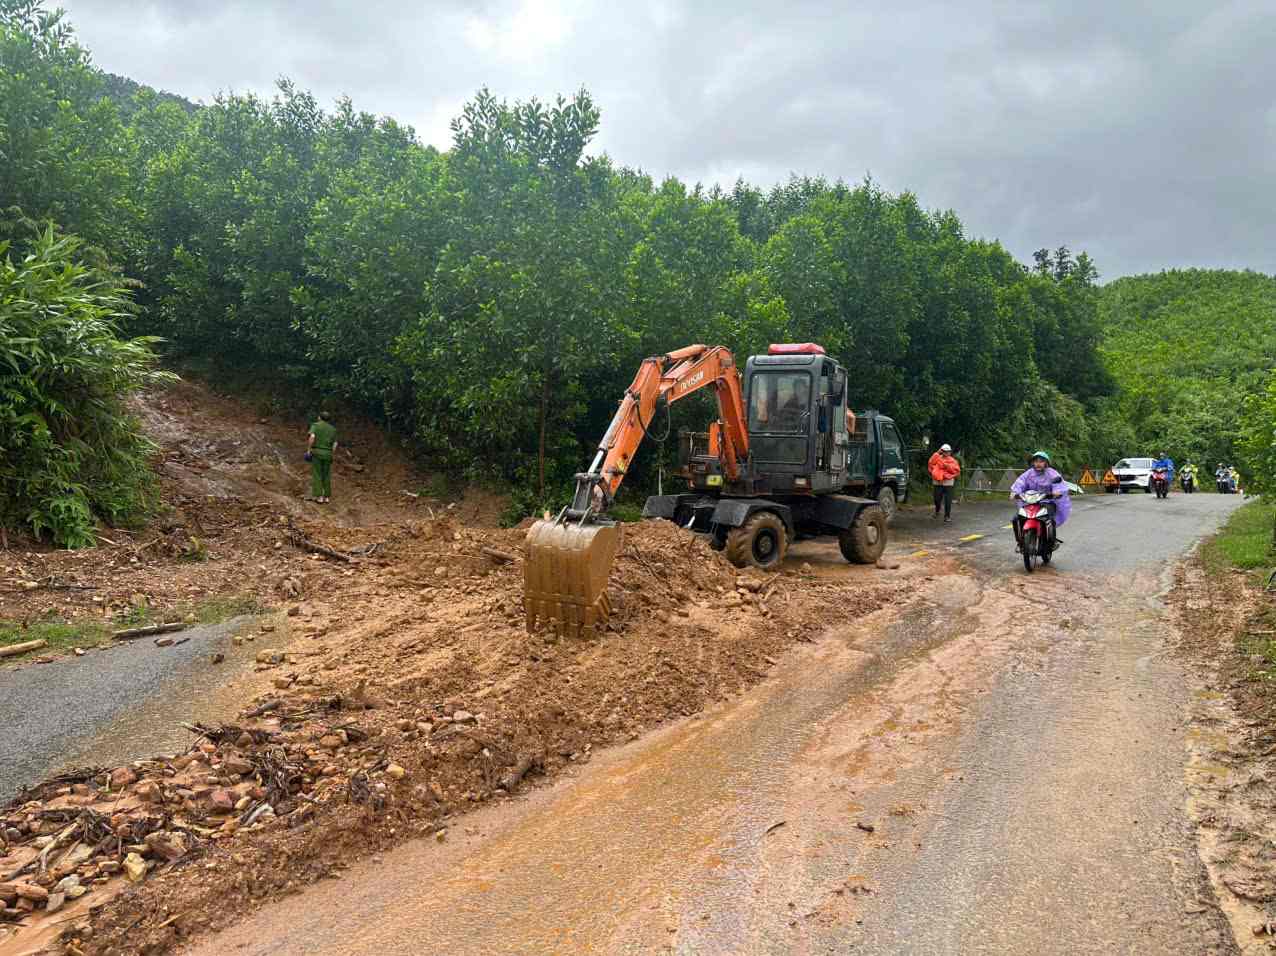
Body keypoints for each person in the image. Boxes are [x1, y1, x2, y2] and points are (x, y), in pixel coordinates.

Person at [1010, 451, 1071, 547]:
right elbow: (1020, 483)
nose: (1038, 464)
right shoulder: (1028, 473)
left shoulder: (1051, 473)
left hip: (1047, 501)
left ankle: (1052, 540)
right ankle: (1020, 541)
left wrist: (1056, 492)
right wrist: (1015, 492)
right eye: (1036, 461)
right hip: (1030, 501)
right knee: (1015, 518)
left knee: (1050, 518)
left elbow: (1058, 483)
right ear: (1033, 463)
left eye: (1041, 461)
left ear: (1046, 463)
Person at [307, 411, 338, 504]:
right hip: (328, 454)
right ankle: (327, 497)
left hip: (317, 452)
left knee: (317, 473)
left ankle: (319, 496)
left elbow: (312, 437)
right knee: (326, 474)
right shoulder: (333, 429)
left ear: (319, 417)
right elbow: (335, 443)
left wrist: (309, 449)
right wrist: (331, 453)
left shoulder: (315, 425)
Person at [927, 443, 961, 522]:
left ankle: (947, 516)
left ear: (950, 452)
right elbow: (930, 463)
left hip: (948, 482)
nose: (946, 453)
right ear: (942, 451)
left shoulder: (953, 460)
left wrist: (946, 466)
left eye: (948, 451)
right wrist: (937, 453)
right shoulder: (937, 458)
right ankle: (937, 511)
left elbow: (956, 470)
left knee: (948, 500)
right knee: (937, 499)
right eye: (944, 451)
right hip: (938, 482)